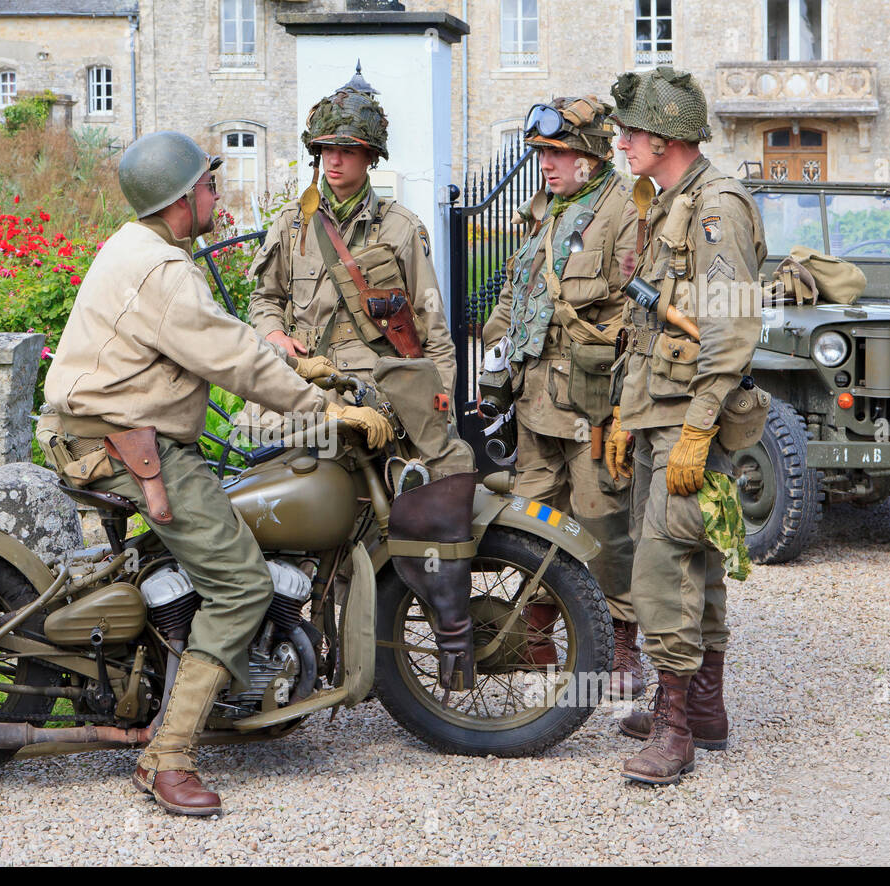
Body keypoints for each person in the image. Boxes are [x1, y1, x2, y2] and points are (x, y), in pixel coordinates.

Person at [41, 130, 394, 815]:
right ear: (180, 199)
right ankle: (166, 757)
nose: (218, 194)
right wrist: (321, 406)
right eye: (208, 184)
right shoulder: (165, 271)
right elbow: (231, 360)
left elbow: (224, 341)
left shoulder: (145, 247)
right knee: (237, 584)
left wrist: (299, 366)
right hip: (126, 444)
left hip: (114, 432)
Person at [248, 66, 478, 694]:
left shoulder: (400, 229)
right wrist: (273, 334)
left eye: (347, 151)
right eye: (325, 150)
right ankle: (304, 653)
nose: (333, 163)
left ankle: (371, 661)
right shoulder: (292, 227)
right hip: (302, 401)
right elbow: (263, 300)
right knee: (303, 527)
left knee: (378, 529)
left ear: (370, 158)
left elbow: (432, 326)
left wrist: (440, 402)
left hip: (377, 404)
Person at [604, 67, 766, 784]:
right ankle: (704, 709)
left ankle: (675, 728)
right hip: (659, 409)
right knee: (688, 551)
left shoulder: (714, 206)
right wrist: (623, 411)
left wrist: (698, 427)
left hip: (689, 416)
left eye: (630, 131)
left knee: (666, 563)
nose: (620, 141)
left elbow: (730, 327)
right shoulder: (668, 201)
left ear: (666, 136)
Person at [481, 96, 643, 695]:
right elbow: (514, 294)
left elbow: (637, 306)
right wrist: (493, 361)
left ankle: (623, 641)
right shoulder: (544, 209)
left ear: (593, 154)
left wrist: (629, 404)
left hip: (593, 400)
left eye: (557, 152)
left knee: (603, 521)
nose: (545, 163)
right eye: (542, 152)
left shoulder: (626, 209)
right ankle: (537, 632)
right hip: (534, 397)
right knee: (530, 519)